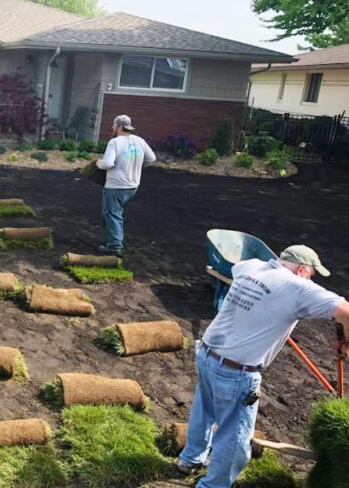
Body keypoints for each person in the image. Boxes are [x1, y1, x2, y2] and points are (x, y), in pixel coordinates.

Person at [179, 245, 349, 488]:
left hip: (207, 354)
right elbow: (346, 312)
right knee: (235, 438)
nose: (312, 280)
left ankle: (190, 460)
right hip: (235, 372)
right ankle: (213, 485)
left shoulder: (251, 266)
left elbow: (237, 270)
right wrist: (346, 345)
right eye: (312, 274)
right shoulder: (298, 287)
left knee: (204, 409)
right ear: (302, 269)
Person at [95, 114, 156, 256]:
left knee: (112, 214)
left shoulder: (115, 142)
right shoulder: (139, 141)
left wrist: (98, 163)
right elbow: (151, 158)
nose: (112, 127)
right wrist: (137, 168)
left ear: (119, 127)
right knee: (113, 212)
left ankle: (114, 247)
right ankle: (109, 240)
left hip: (116, 185)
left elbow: (107, 163)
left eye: (113, 125)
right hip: (133, 185)